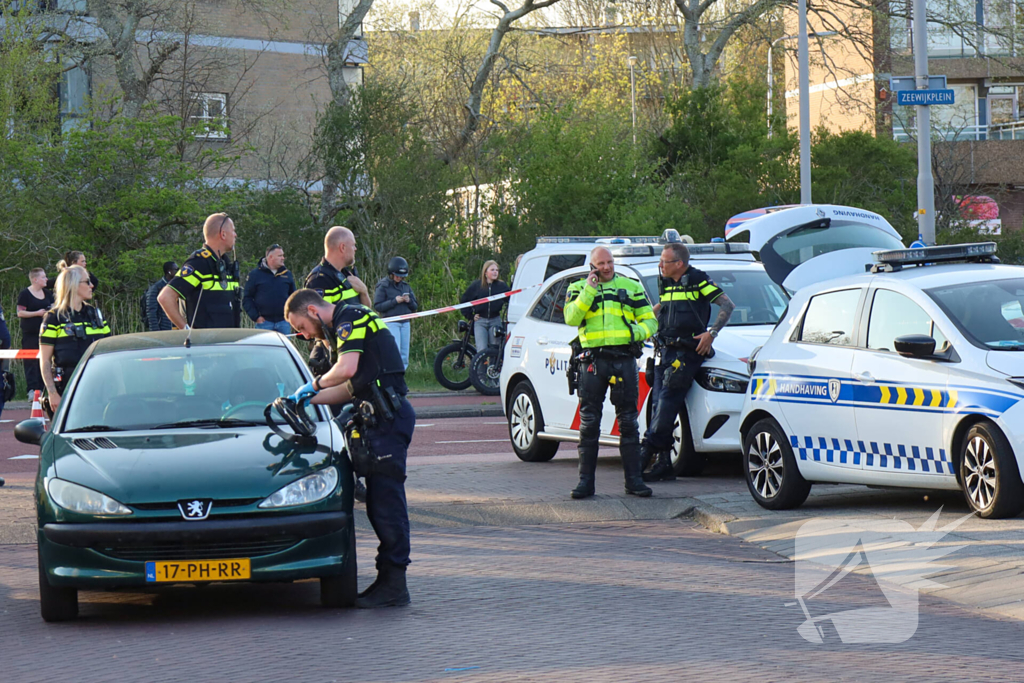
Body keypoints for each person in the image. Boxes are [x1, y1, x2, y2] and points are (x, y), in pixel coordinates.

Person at [285, 288, 414, 609]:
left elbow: (346, 369)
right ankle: (387, 581)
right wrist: (304, 401)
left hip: (388, 418)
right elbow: (347, 388)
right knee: (377, 503)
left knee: (387, 505)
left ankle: (395, 586)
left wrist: (312, 386)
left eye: (301, 326)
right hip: (377, 419)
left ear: (313, 310)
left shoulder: (349, 317)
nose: (303, 334)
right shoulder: (347, 322)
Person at [563, 246, 658, 499]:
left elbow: (650, 321)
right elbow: (572, 318)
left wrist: (633, 334)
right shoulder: (577, 288)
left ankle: (634, 482)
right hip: (593, 361)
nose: (606, 267)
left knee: (628, 421)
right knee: (589, 422)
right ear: (591, 266)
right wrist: (590, 288)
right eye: (601, 264)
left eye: (610, 262)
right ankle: (585, 483)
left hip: (624, 360)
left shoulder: (630, 286)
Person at [641, 243, 735, 482]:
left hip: (686, 352)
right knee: (658, 406)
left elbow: (727, 304)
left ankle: (645, 453)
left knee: (667, 403)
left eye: (665, 261)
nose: (660, 265)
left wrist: (711, 333)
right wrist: (649, 321)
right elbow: (666, 306)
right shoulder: (665, 281)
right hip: (664, 350)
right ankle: (663, 464)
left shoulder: (697, 279)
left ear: (679, 264)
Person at [39, 266, 111, 411]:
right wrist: (52, 393)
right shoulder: (54, 317)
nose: (92, 286)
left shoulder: (94, 314)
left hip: (98, 386)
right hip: (68, 386)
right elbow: (45, 360)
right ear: (74, 285)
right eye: (87, 282)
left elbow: (110, 351)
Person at [158, 213, 241, 330]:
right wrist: (186, 329)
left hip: (227, 342)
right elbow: (165, 297)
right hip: (206, 345)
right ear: (223, 234)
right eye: (233, 230)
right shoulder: (200, 263)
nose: (235, 235)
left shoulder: (225, 264)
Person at [373, 256, 418, 369]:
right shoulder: (383, 286)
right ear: (391, 273)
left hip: (405, 323)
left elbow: (415, 306)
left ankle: (401, 376)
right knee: (394, 350)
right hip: (391, 322)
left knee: (404, 354)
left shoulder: (406, 287)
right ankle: (392, 374)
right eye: (397, 275)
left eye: (401, 276)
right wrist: (394, 301)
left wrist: (409, 301)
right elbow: (378, 306)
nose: (399, 278)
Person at [17, 268, 54, 397]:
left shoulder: (48, 293)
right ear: (35, 279)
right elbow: (20, 312)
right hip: (30, 334)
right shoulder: (25, 294)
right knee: (31, 361)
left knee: (46, 361)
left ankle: (46, 388)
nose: (46, 279)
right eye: (43, 277)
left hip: (45, 333)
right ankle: (32, 390)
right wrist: (37, 313)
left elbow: (55, 307)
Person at [243, 244, 296, 335]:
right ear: (270, 257)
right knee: (263, 349)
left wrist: (291, 317)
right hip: (264, 323)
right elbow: (247, 298)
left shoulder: (287, 274)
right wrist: (256, 317)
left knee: (283, 349)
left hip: (284, 322)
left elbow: (294, 297)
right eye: (280, 256)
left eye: (283, 255)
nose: (283, 258)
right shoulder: (255, 275)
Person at [461, 260, 509, 350]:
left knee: (494, 349)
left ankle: (493, 364)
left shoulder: (501, 286)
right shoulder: (477, 285)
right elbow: (464, 301)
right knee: (481, 349)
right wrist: (470, 316)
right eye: (492, 270)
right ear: (485, 272)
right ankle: (481, 364)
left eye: (497, 270)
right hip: (480, 321)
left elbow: (511, 298)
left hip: (495, 320)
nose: (495, 272)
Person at [145, 261, 178, 332]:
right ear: (169, 272)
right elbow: (151, 312)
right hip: (163, 329)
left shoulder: (175, 286)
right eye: (176, 269)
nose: (178, 272)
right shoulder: (156, 288)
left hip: (176, 329)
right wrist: (155, 331)